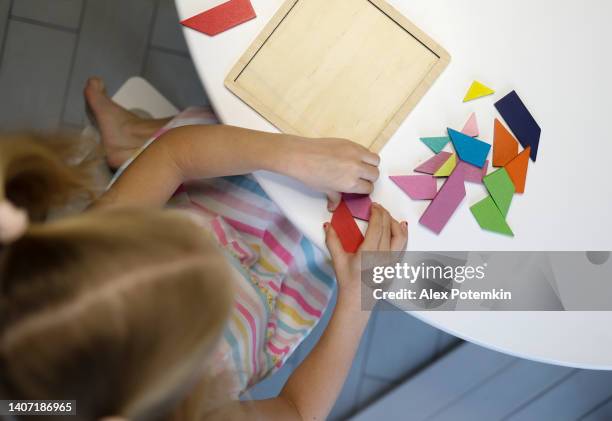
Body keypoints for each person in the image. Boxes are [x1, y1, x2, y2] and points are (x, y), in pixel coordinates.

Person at [0, 78, 408, 420]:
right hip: (288, 284)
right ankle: (131, 137)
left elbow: (176, 156)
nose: (213, 263)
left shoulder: (86, 257)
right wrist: (358, 300)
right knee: (435, 266)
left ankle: (133, 137)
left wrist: (291, 154)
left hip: (217, 194)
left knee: (235, 126)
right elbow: (298, 410)